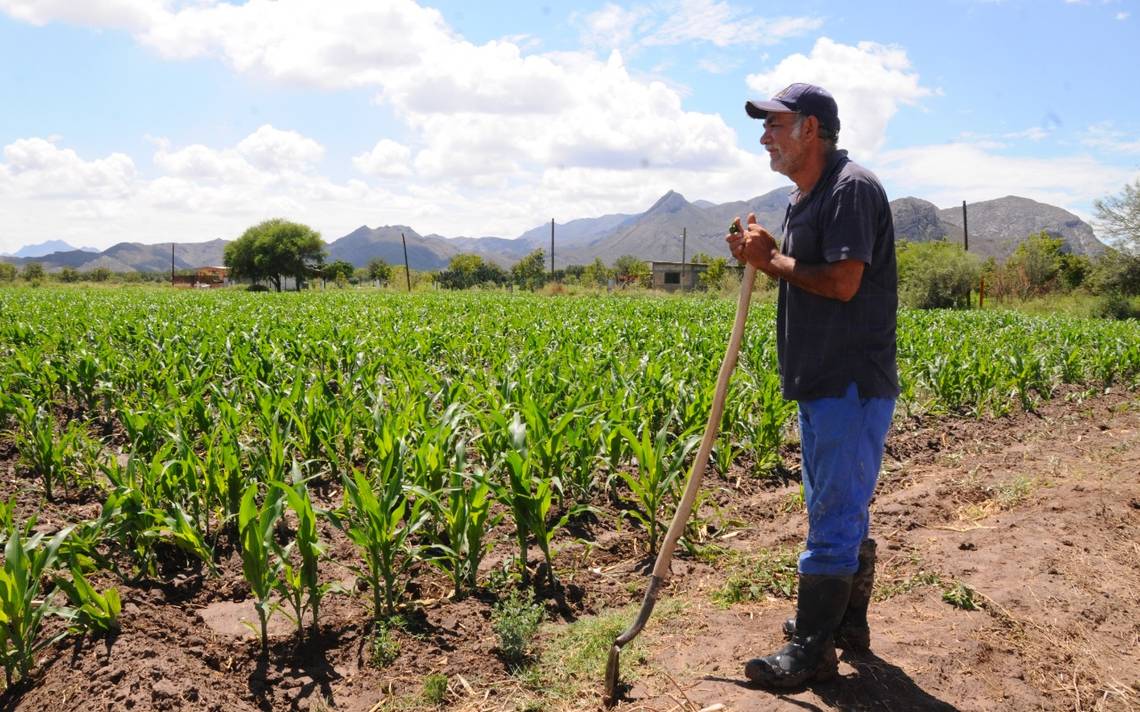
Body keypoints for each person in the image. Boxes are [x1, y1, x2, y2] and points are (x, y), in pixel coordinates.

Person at [726, 83, 898, 689]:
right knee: (836, 505)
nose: (765, 135)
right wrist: (766, 255)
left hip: (849, 380)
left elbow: (845, 282)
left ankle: (811, 649)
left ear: (812, 129)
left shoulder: (851, 189)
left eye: (776, 123)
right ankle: (847, 627)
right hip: (823, 380)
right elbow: (807, 276)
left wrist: (769, 261)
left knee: (833, 512)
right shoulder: (806, 198)